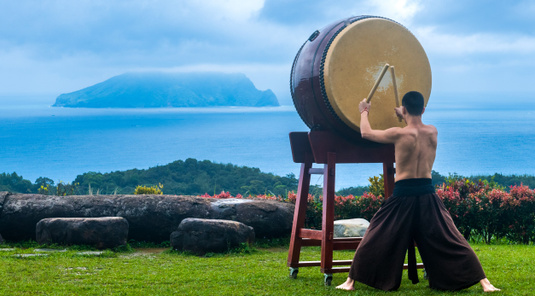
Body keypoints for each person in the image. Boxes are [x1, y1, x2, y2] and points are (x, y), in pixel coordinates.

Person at [336, 91, 499, 292]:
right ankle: (485, 283)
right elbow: (415, 128)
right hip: (427, 194)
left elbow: (366, 133)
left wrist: (364, 111)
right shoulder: (432, 131)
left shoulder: (399, 133)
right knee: (451, 237)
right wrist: (404, 115)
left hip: (403, 195)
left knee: (374, 234)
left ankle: (350, 282)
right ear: (423, 109)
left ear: (404, 109)